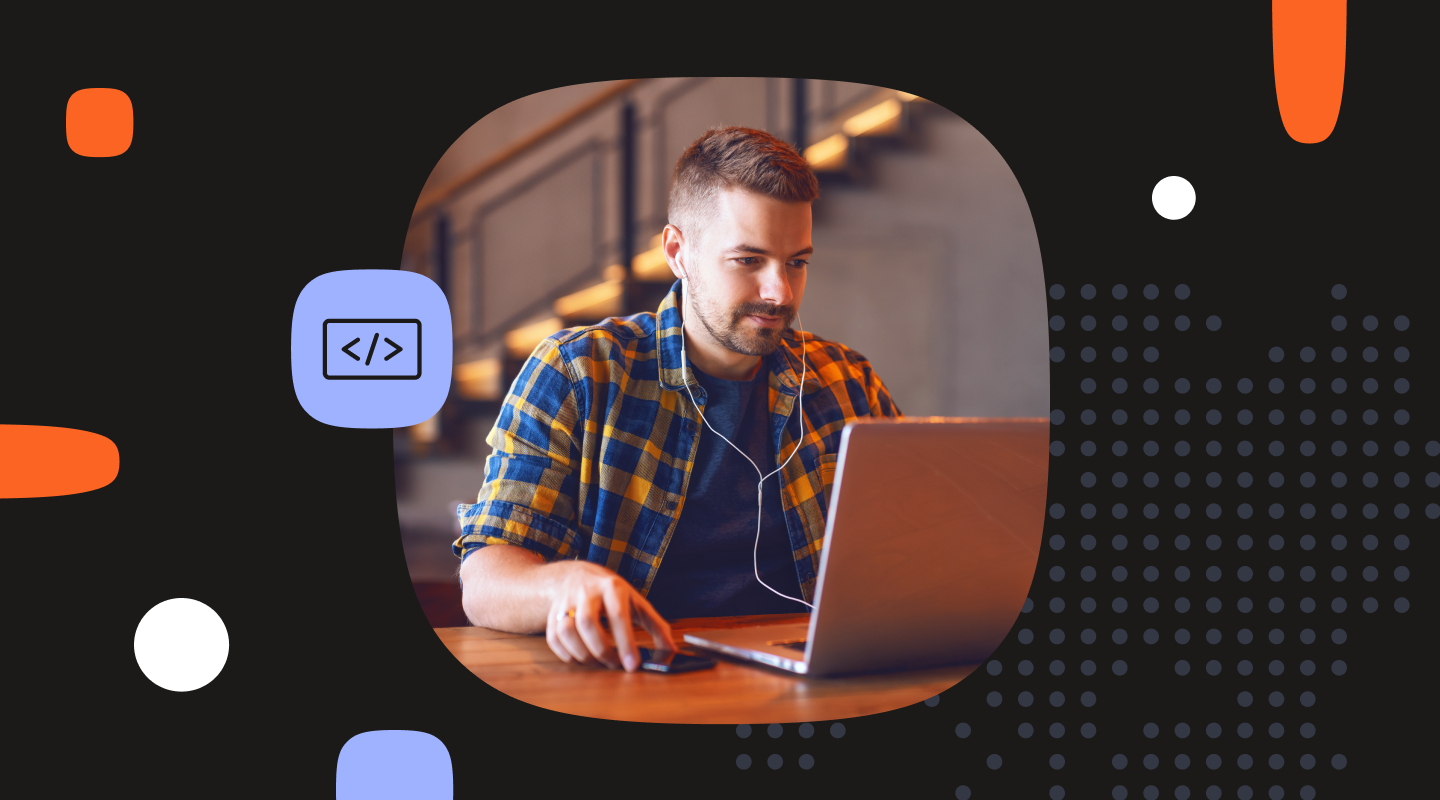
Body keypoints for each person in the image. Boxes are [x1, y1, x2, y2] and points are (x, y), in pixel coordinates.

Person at [454, 126, 901, 672]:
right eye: (748, 260)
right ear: (677, 252)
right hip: (638, 678)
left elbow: (925, 540)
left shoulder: (846, 379)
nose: (779, 292)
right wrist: (560, 585)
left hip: (818, 676)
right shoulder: (580, 372)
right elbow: (484, 581)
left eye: (796, 262)